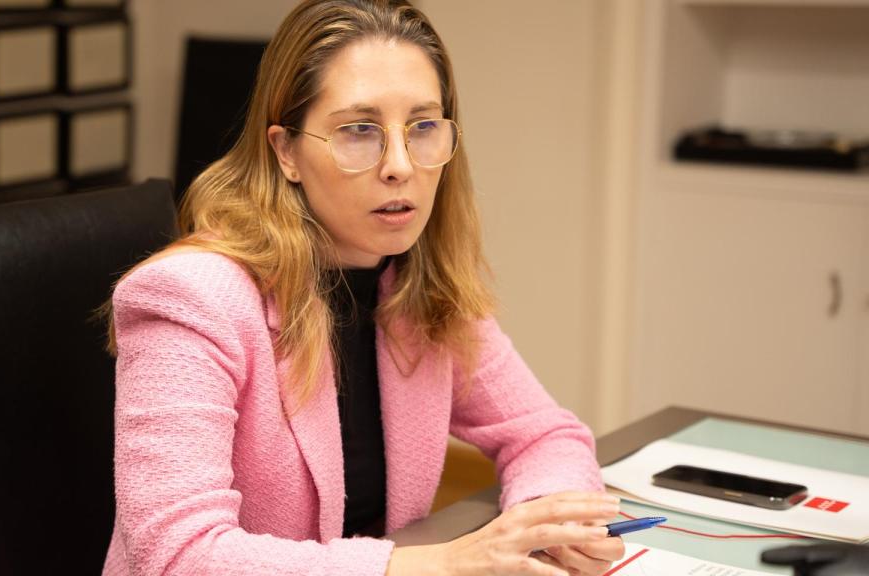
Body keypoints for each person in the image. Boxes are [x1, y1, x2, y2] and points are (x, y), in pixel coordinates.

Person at [101, 1, 625, 574]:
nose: (400, 165)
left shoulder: (416, 285)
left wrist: (547, 525)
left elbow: (543, 433)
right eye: (359, 131)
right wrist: (438, 565)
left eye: (423, 127)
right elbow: (178, 556)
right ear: (285, 151)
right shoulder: (191, 299)